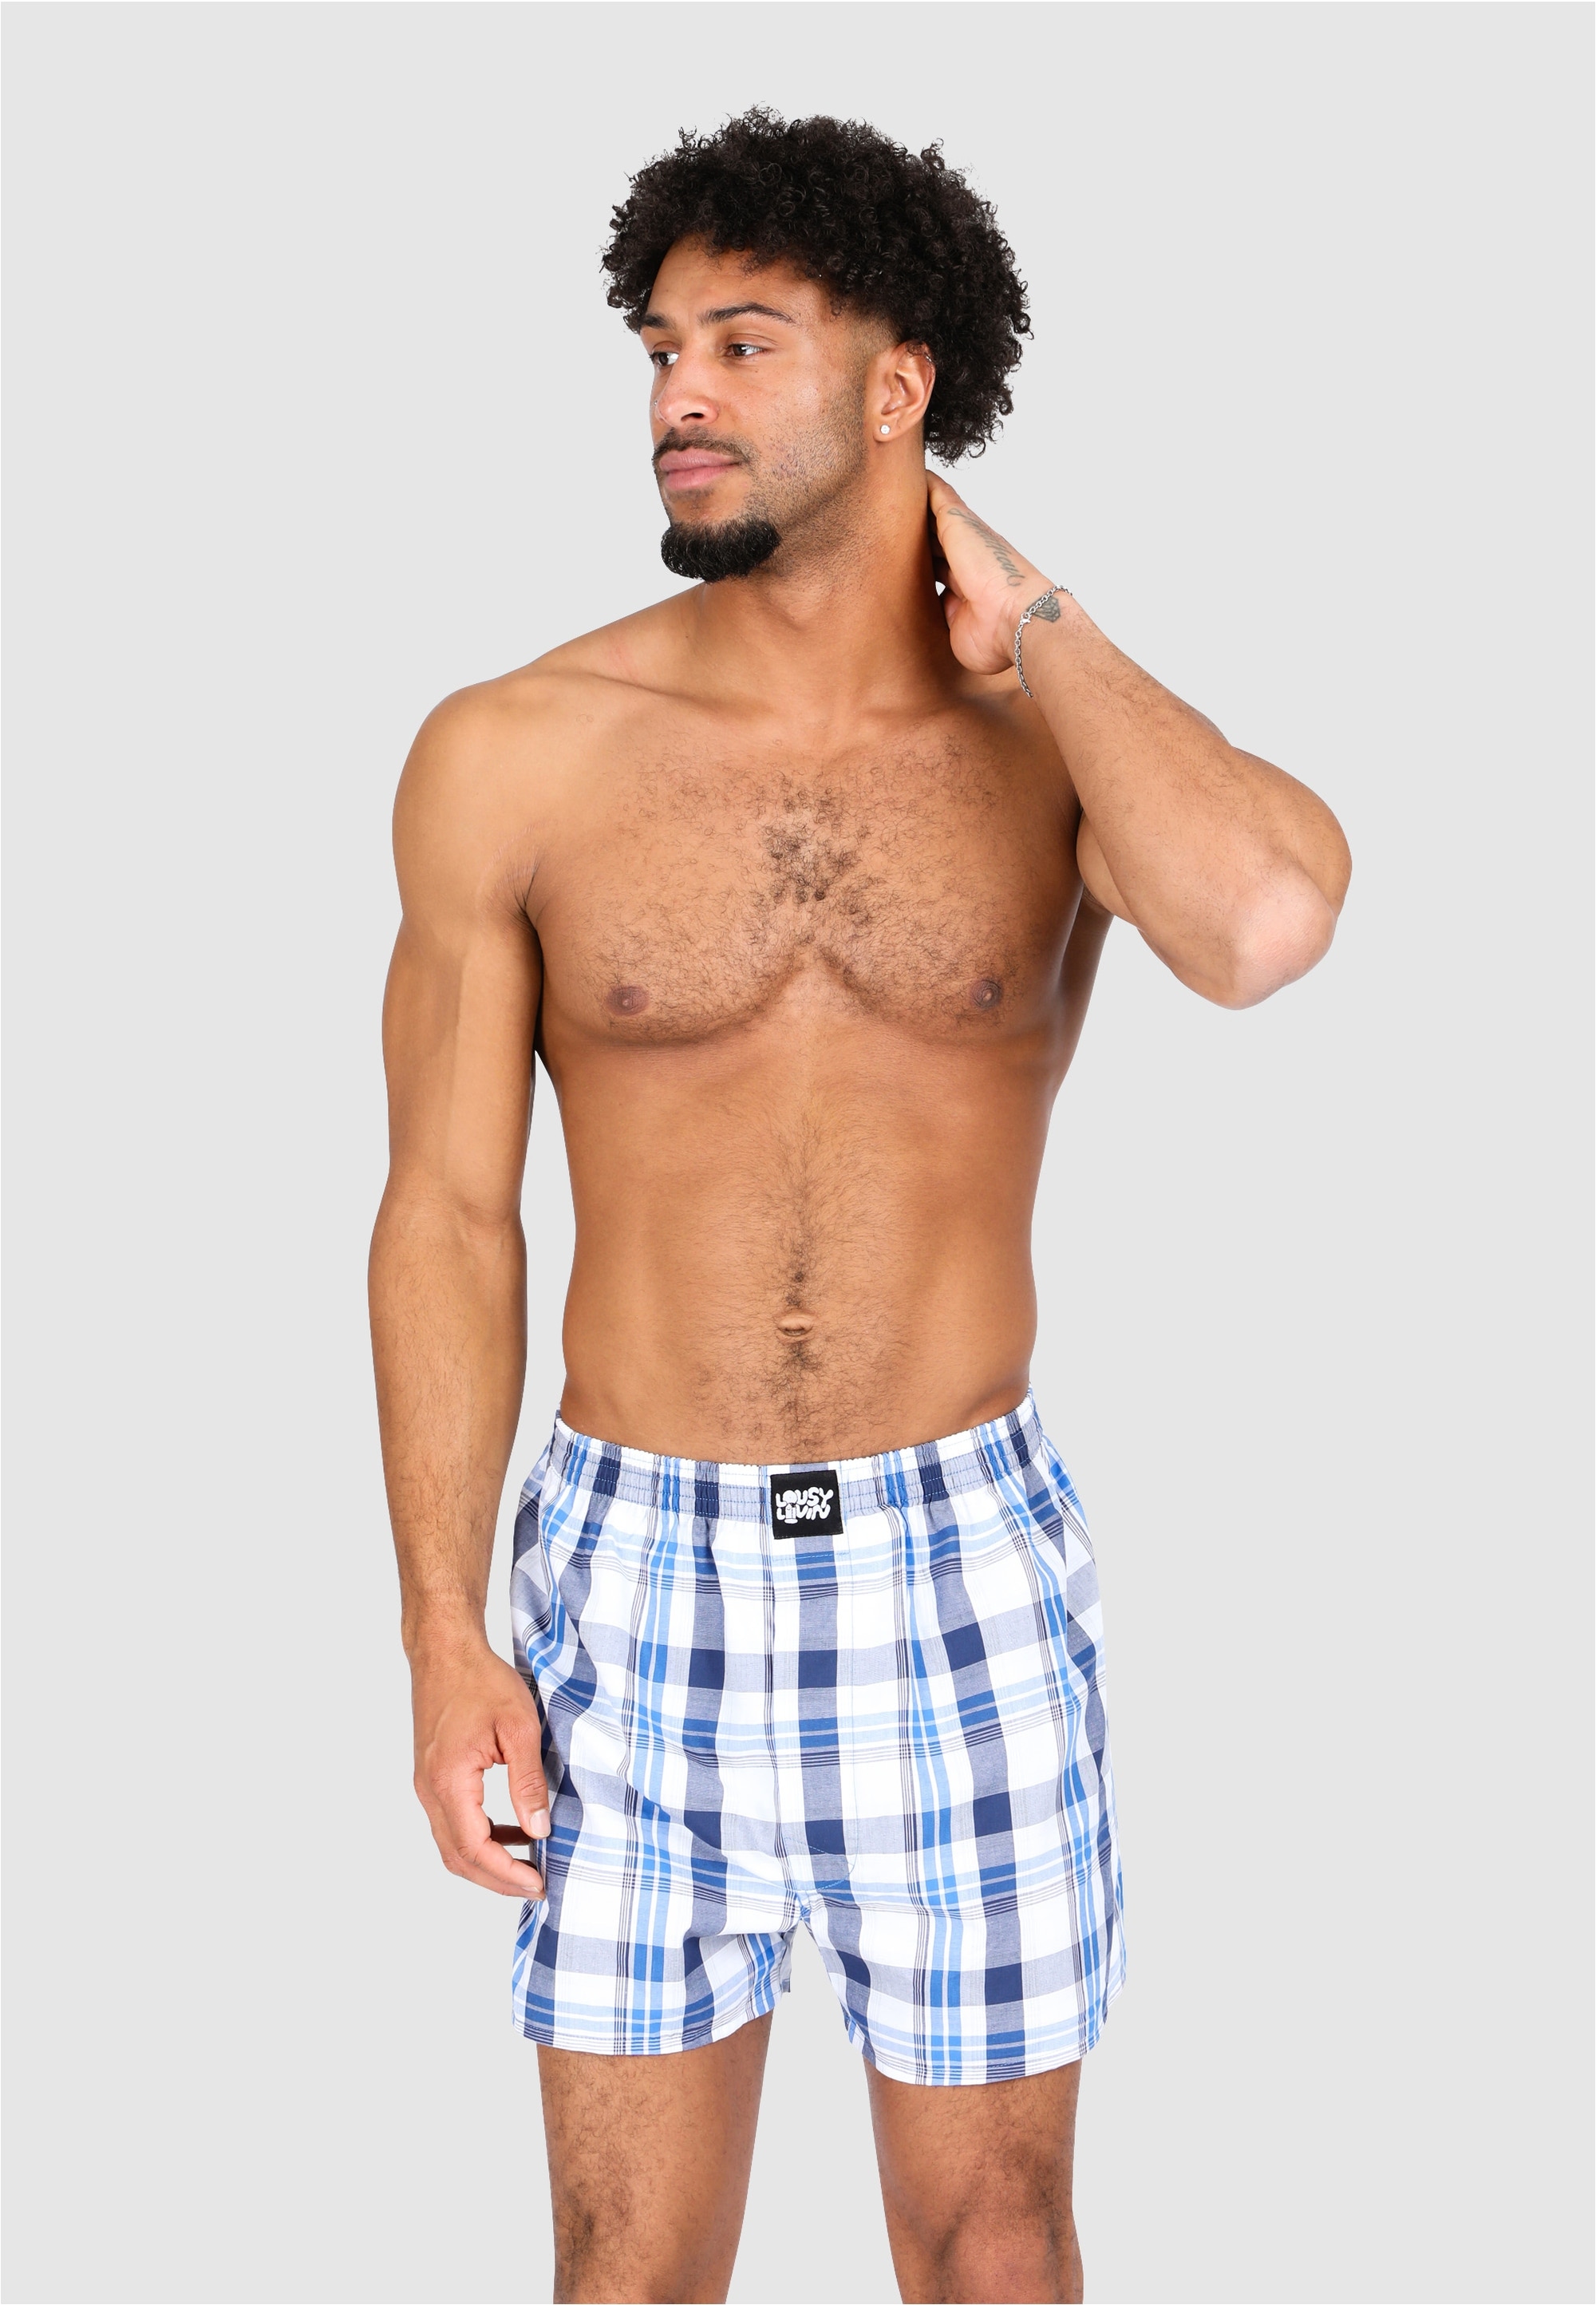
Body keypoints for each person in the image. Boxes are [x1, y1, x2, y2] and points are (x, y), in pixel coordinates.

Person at [369, 109, 1351, 2305]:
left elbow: (1268, 921)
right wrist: (445, 1633)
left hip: (959, 1570)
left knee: (996, 2245)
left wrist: (1040, 617)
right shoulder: (516, 749)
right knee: (627, 2264)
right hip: (629, 1583)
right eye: (659, 348)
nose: (678, 395)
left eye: (745, 342)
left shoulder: (1050, 745)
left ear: (901, 385)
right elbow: (445, 1213)